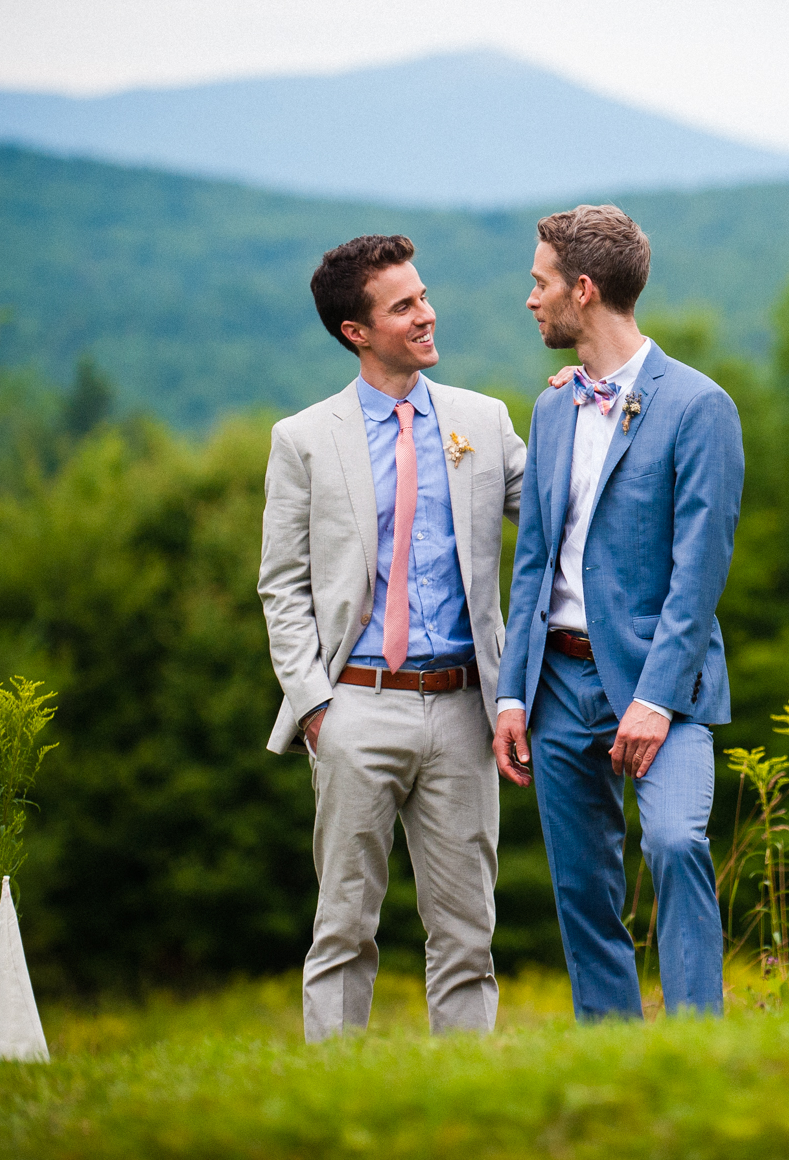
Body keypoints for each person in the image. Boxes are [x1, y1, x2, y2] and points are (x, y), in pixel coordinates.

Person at [258, 234, 526, 1039]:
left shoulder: (484, 420)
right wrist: (315, 708)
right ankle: (334, 1099)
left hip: (464, 710)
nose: (426, 313)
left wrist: (591, 403)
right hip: (355, 705)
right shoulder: (303, 438)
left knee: (467, 937)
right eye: (403, 305)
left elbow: (554, 514)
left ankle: (463, 1104)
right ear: (356, 331)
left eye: (423, 295)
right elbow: (283, 585)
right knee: (344, 928)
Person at [493, 204, 744, 1020]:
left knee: (676, 842)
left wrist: (654, 698)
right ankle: (612, 1050)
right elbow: (531, 559)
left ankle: (697, 1039)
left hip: (660, 686)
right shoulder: (552, 407)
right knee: (583, 888)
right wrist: (509, 694)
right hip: (557, 686)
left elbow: (698, 573)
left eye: (541, 283)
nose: (531, 299)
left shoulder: (701, 406)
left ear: (585, 289)